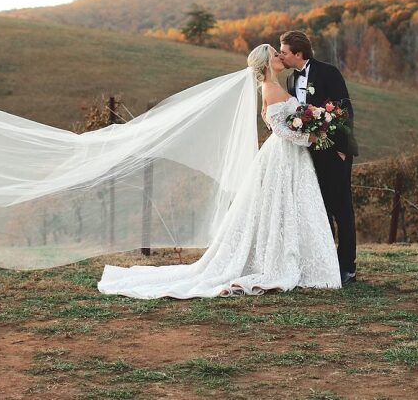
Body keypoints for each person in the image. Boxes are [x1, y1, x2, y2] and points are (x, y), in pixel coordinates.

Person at [96, 44, 341, 298]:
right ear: (266, 63)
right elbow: (279, 130)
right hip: (284, 155)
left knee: (290, 206)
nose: (279, 57)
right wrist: (310, 138)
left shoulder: (277, 86)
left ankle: (296, 259)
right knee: (282, 205)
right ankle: (284, 262)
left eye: (279, 53)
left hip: (289, 157)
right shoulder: (270, 88)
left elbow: (277, 123)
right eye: (274, 55)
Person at [278, 30, 359, 286]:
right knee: (318, 210)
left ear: (298, 53)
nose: (281, 55)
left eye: (284, 51)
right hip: (306, 155)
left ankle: (348, 267)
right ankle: (328, 266)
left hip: (334, 152)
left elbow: (344, 109)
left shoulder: (328, 72)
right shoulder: (291, 81)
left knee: (341, 210)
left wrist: (340, 148)